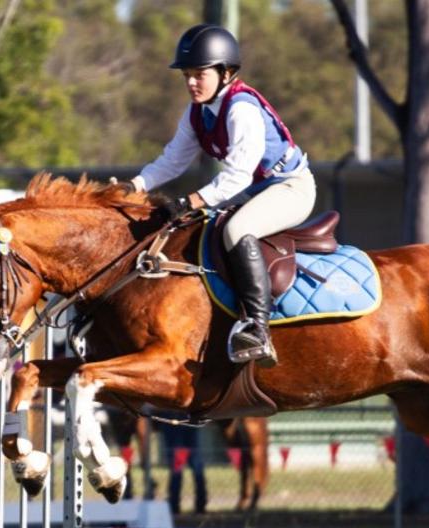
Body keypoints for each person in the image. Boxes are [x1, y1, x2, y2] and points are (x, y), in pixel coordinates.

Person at [119, 23, 316, 368]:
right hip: (256, 191)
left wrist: (192, 201)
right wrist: (134, 186)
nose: (191, 83)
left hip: (291, 188)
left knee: (236, 231)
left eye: (199, 74)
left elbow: (238, 174)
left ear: (226, 73)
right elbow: (172, 161)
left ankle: (257, 328)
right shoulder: (197, 112)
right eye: (186, 76)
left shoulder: (241, 109)